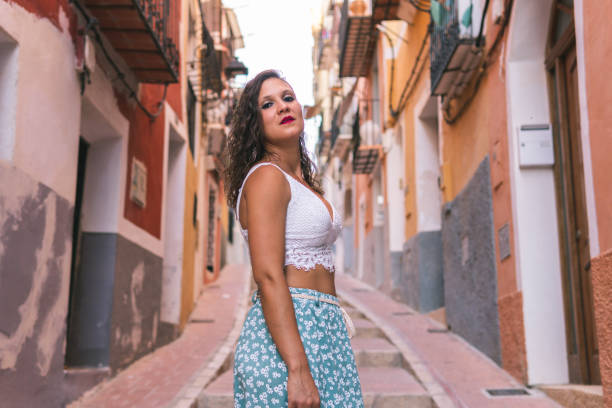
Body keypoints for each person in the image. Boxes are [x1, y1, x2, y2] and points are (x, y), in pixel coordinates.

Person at [225, 69, 364, 408]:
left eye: (288, 98)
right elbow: (269, 275)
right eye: (268, 104)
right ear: (254, 124)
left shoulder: (298, 180)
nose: (283, 107)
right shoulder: (267, 178)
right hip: (289, 342)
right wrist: (298, 369)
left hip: (323, 331)